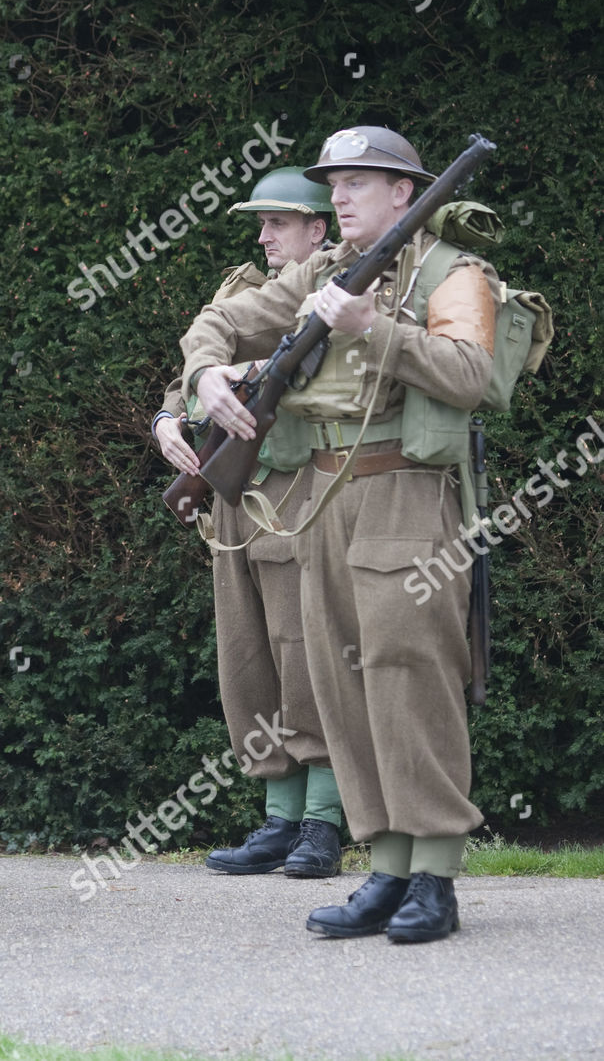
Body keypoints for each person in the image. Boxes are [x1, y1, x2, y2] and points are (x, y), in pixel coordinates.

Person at [183, 127, 496, 942]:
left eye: (359, 181)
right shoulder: (320, 272)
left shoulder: (451, 273)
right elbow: (220, 320)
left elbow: (474, 377)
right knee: (342, 688)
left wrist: (370, 327)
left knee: (409, 680)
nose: (340, 195)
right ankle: (386, 872)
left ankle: (435, 877)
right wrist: (206, 374)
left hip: (405, 497)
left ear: (405, 192)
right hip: (319, 500)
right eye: (336, 181)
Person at [155, 167, 345, 880]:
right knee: (247, 659)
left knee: (307, 656)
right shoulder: (238, 291)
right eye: (260, 224)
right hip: (232, 496)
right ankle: (278, 817)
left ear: (317, 229)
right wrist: (168, 419)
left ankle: (323, 823)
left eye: (278, 223)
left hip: (303, 490)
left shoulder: (341, 289)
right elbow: (186, 374)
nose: (263, 236)